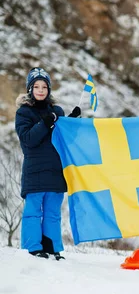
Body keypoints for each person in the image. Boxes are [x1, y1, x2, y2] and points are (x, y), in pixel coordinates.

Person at [15, 67, 81, 260]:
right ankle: (32, 248)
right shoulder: (24, 113)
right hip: (35, 171)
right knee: (33, 212)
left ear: (49, 89)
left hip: (55, 171)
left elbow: (64, 138)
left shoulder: (56, 111)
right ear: (30, 89)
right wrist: (44, 123)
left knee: (53, 213)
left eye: (44, 86)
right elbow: (28, 139)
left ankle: (52, 248)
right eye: (36, 86)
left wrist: (72, 122)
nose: (41, 90)